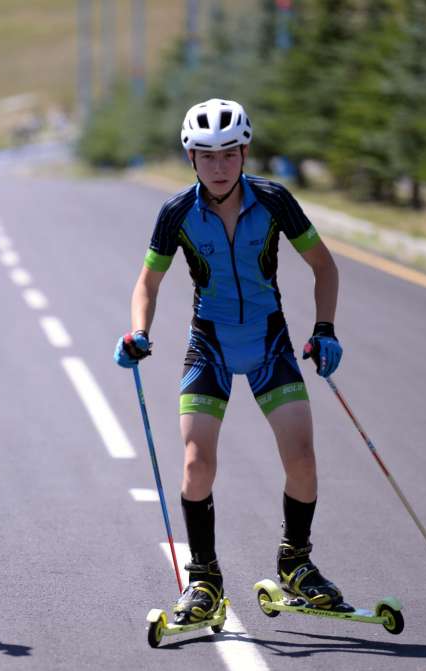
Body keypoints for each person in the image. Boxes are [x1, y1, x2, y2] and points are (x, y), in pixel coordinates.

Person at [114, 98, 349, 624]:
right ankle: (204, 580)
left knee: (303, 458)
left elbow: (324, 267)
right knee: (197, 463)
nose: (219, 166)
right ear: (191, 158)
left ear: (245, 153)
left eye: (228, 154)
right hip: (210, 345)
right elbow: (147, 283)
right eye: (207, 156)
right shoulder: (175, 212)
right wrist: (139, 332)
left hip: (268, 342)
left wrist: (325, 330)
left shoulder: (274, 200)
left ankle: (297, 563)